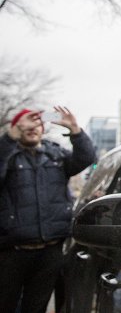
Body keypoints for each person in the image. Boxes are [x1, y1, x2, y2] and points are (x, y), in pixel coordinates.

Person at [0, 107, 96, 313]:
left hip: (49, 252)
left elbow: (87, 158)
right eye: (26, 125)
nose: (33, 128)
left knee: (36, 307)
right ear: (17, 129)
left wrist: (75, 131)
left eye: (37, 124)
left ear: (43, 129)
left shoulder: (57, 155)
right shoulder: (6, 155)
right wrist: (10, 137)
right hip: (11, 253)